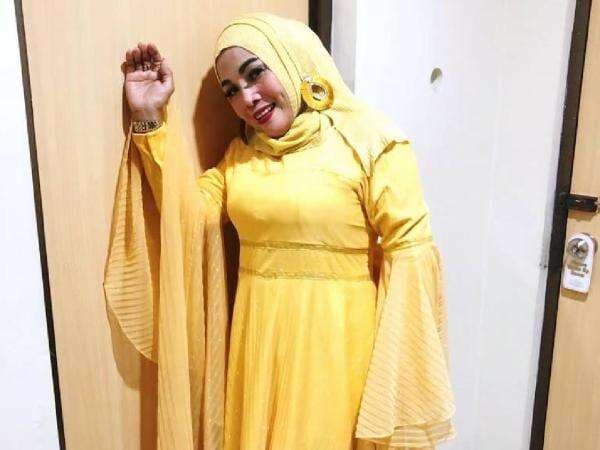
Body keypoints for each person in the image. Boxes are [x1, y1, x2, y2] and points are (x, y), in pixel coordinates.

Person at [104, 12, 456, 450]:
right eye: (232, 91)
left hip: (336, 346)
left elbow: (411, 258)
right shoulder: (242, 156)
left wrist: (395, 387)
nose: (248, 98)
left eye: (255, 74)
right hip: (258, 340)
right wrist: (148, 118)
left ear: (293, 61)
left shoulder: (371, 141)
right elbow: (190, 215)